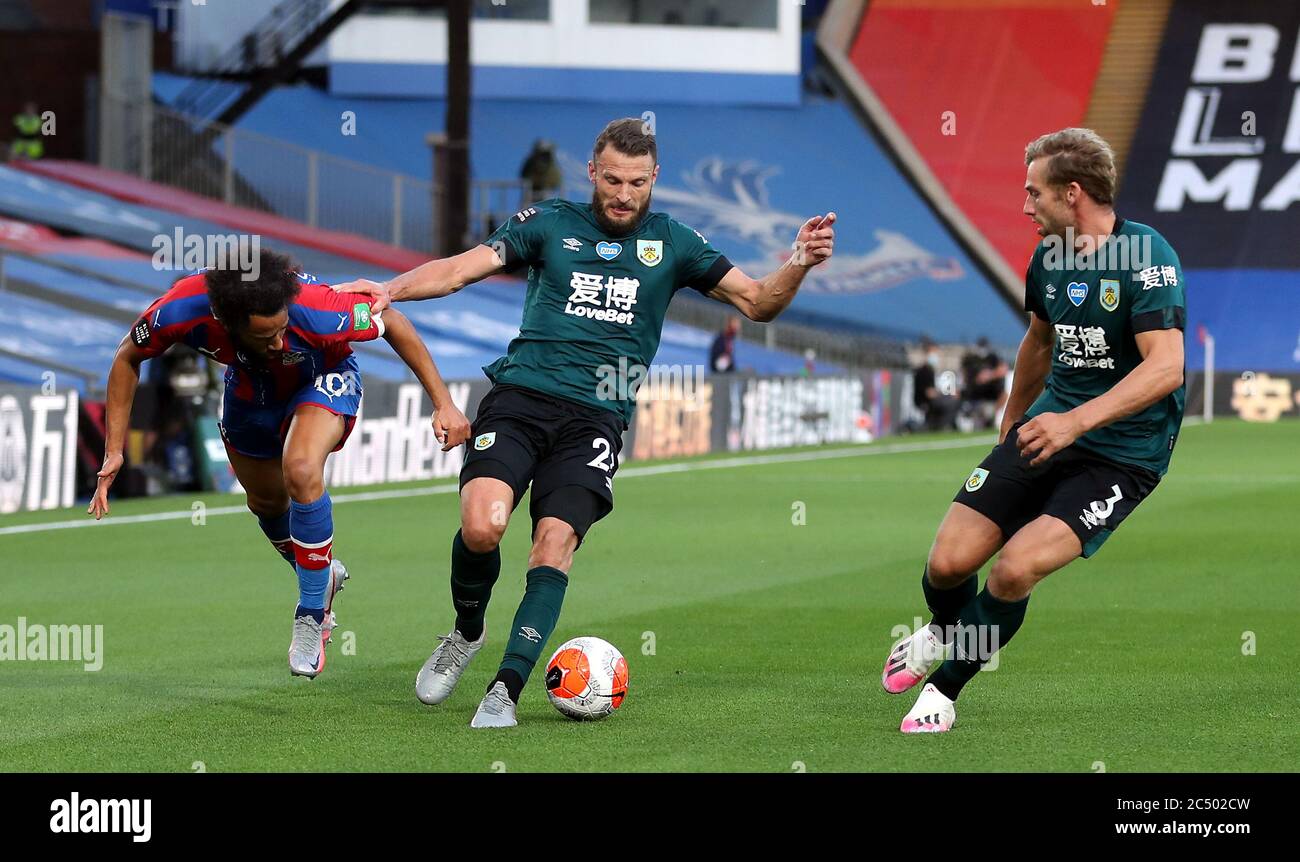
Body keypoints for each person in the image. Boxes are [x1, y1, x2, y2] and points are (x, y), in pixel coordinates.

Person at [335, 117, 837, 727]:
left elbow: (758, 302)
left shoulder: (674, 243)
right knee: (482, 527)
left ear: (655, 180)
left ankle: (505, 691)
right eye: (613, 180)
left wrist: (799, 261)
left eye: (637, 183)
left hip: (597, 419)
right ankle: (467, 632)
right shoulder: (548, 223)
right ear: (592, 173)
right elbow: (462, 268)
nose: (624, 195)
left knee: (553, 545)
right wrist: (389, 291)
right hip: (521, 399)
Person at [882, 128, 1185, 733]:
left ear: (1072, 194)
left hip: (1121, 455)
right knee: (947, 564)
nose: (1025, 207)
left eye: (1033, 193)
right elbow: (1038, 343)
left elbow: (1167, 366)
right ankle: (949, 628)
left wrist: (1075, 422)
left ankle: (944, 691)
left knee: (1014, 570)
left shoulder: (1147, 257)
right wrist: (1010, 422)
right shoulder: (1048, 257)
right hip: (1044, 429)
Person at [89, 249, 471, 678]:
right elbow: (127, 356)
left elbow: (394, 323)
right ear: (225, 320)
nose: (276, 342)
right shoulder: (181, 308)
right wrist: (115, 449)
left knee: (302, 469)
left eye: (281, 330)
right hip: (250, 389)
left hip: (323, 376)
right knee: (266, 503)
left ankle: (311, 616)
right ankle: (319, 574)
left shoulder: (317, 309)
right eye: (264, 335)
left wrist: (444, 404)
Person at [959, 336, 1009, 427]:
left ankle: (993, 416)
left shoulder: (993, 357)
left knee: (1003, 394)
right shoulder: (972, 359)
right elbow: (965, 375)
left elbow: (1003, 369)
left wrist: (990, 375)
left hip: (991, 393)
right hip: (975, 393)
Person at [912, 337, 958, 431]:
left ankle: (943, 425)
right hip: (924, 401)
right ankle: (943, 426)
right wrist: (946, 395)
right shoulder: (924, 371)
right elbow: (929, 393)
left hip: (931, 399)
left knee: (953, 399)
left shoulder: (932, 370)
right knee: (951, 402)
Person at [519, 138, 563, 202]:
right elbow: (524, 175)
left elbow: (556, 180)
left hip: (547, 190)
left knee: (545, 204)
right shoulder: (530, 162)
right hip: (532, 190)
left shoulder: (551, 165)